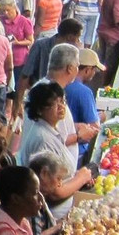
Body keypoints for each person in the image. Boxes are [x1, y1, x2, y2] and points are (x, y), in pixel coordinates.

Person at [17, 82, 92, 218]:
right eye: (54, 104)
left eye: (62, 101)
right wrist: (81, 178)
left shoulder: (51, 131)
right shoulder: (43, 139)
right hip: (54, 214)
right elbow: (53, 192)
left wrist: (78, 177)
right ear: (40, 110)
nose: (61, 107)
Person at [14, 17, 83, 118]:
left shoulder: (72, 52)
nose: (79, 41)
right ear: (69, 37)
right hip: (40, 100)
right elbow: (25, 75)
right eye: (77, 38)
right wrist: (17, 104)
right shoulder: (40, 46)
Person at [68, 48, 105, 160]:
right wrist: (100, 117)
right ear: (87, 70)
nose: (94, 74)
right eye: (95, 70)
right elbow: (94, 127)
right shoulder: (84, 92)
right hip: (77, 150)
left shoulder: (63, 83)